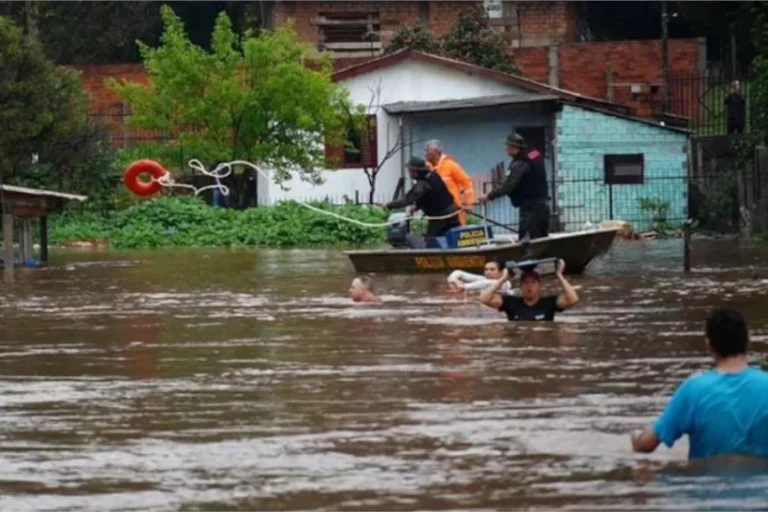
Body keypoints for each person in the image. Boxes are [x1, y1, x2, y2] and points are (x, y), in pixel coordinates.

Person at [631, 308, 768, 460]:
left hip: (705, 481)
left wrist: (635, 437)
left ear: (709, 345)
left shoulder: (693, 389)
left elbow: (645, 445)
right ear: (747, 341)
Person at [477, 133, 550, 241]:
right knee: (541, 240)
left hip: (530, 208)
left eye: (507, 146)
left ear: (514, 147)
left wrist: (489, 196)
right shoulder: (534, 155)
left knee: (528, 243)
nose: (505, 149)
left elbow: (508, 185)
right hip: (543, 205)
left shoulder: (520, 163)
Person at [380, 156, 461, 239]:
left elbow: (407, 200)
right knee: (455, 238)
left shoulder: (422, 184)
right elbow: (431, 195)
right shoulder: (433, 175)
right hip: (452, 212)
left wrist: (388, 205)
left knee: (432, 241)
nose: (409, 173)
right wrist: (417, 206)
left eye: (410, 171)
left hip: (441, 217)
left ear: (415, 171)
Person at [479, 259, 578, 321]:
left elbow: (573, 299)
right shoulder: (511, 302)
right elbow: (484, 299)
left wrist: (559, 275)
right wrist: (503, 278)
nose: (529, 286)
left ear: (540, 285)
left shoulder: (549, 303)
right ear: (521, 286)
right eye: (526, 283)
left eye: (533, 282)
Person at [424, 140, 475, 226]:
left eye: (427, 151)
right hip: (436, 212)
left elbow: (467, 182)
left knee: (455, 236)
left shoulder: (451, 165)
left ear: (436, 151)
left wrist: (468, 203)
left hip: (453, 210)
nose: (425, 154)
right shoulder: (427, 169)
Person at [447, 259, 512, 295]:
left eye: (492, 269)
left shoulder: (505, 284)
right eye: (486, 269)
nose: (488, 272)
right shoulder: (484, 279)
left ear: (501, 272)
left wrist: (463, 286)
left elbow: (485, 283)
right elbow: (458, 272)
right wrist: (455, 279)